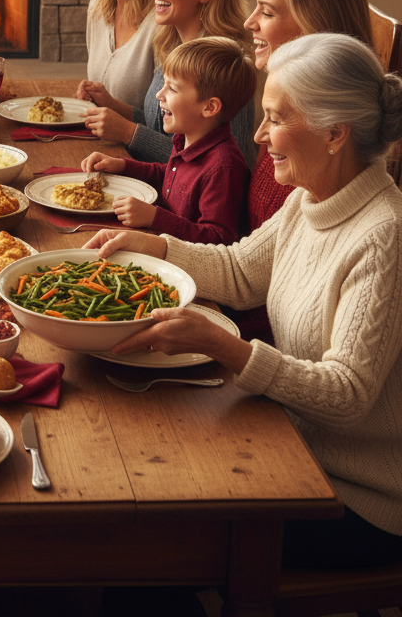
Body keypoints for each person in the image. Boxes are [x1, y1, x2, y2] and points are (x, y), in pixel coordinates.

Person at [85, 33, 402, 568]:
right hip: (282, 439)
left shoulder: (383, 235)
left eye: (275, 118)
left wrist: (225, 348)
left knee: (136, 543)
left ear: (335, 134)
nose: (258, 135)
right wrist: (155, 243)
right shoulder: (311, 196)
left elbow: (347, 394)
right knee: (119, 482)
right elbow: (239, 271)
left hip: (351, 497)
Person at [80, 0, 256, 165]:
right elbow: (165, 128)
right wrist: (113, 105)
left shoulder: (225, 62)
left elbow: (228, 165)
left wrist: (129, 133)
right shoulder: (172, 43)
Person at [244, 0, 373, 231]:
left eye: (267, 12)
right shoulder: (283, 106)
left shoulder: (317, 142)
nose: (249, 22)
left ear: (312, 29)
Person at [81, 37, 254, 244]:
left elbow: (217, 239)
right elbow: (170, 174)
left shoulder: (223, 167)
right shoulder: (185, 138)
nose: (159, 95)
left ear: (209, 107)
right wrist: (123, 165)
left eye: (172, 89)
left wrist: (155, 218)